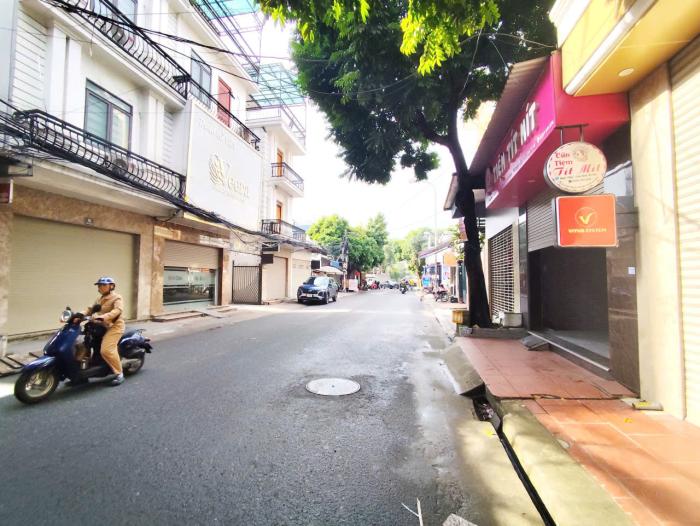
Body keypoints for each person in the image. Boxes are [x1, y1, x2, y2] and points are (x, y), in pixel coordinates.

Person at [83, 277, 125, 386]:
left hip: (114, 327)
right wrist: (78, 315)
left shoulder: (117, 297)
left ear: (111, 286)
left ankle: (119, 373)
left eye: (103, 285)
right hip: (99, 327)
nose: (100, 287)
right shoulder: (99, 299)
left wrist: (103, 317)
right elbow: (90, 309)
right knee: (84, 345)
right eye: (99, 285)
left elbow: (117, 310)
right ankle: (83, 374)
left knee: (106, 350)